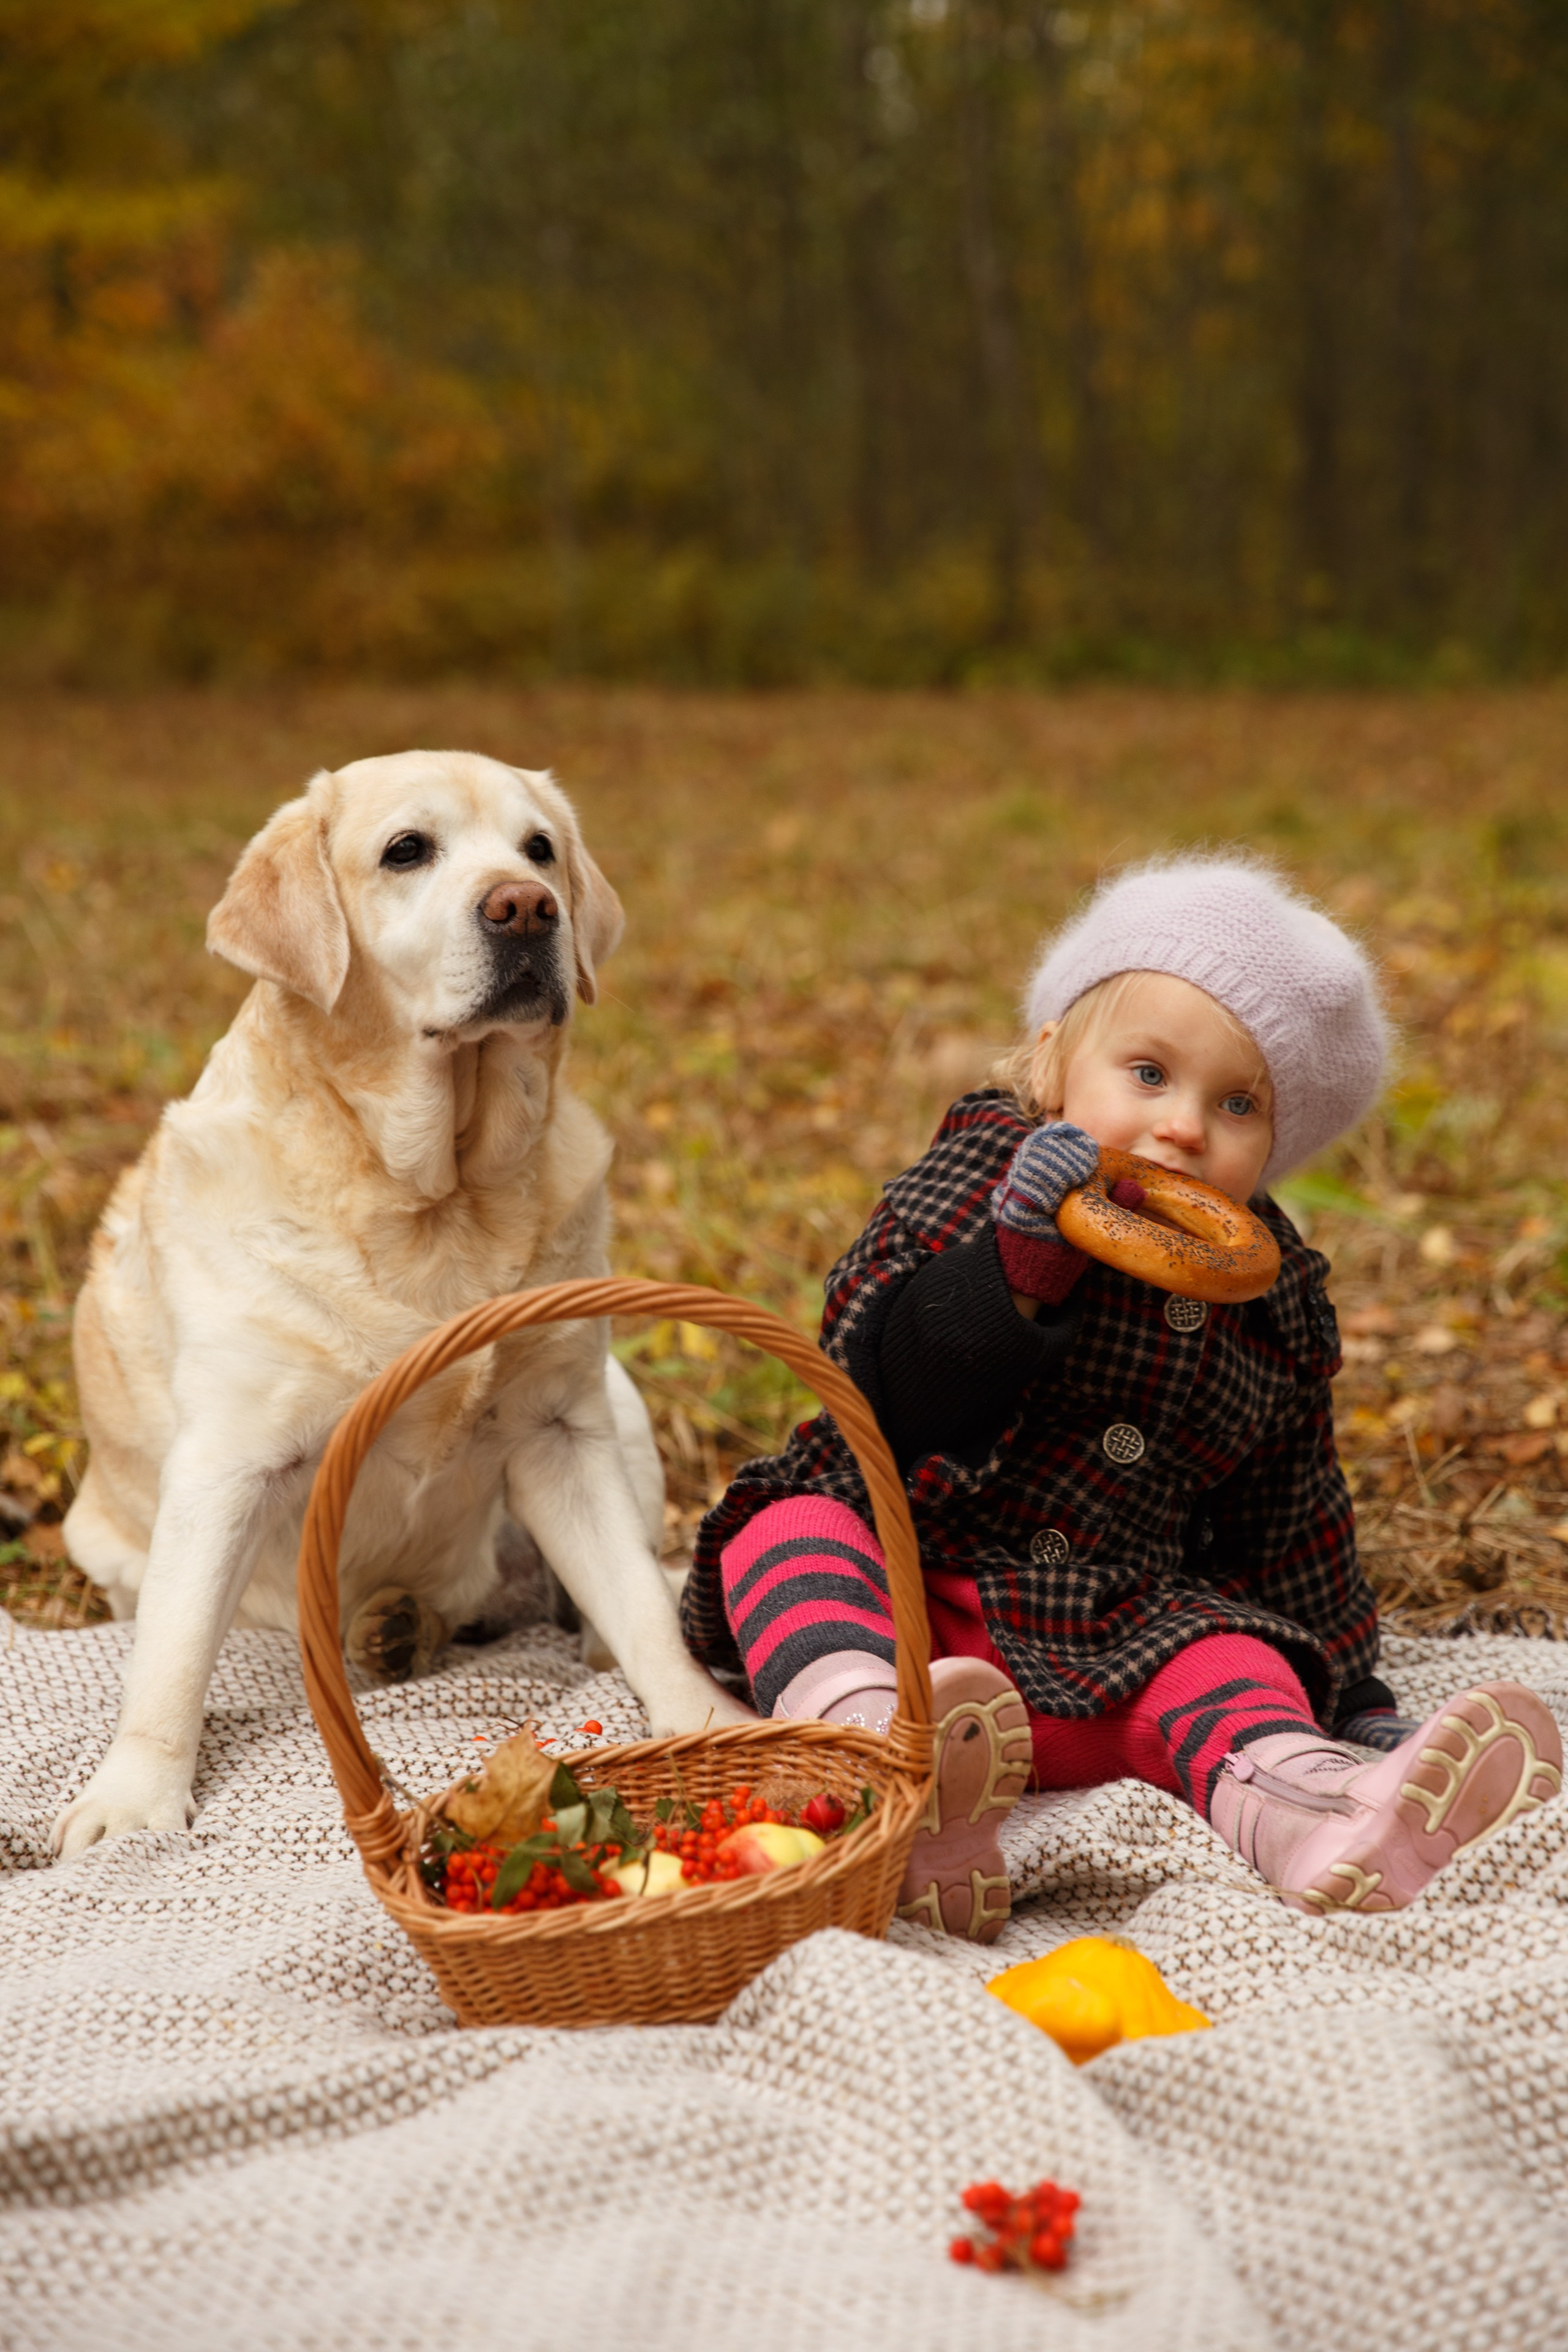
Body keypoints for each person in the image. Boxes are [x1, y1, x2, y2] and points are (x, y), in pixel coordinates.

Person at [680, 855, 1563, 1940]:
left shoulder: (1272, 1297)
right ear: (1053, 1061)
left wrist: (1355, 1695)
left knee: (1236, 1660)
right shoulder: (986, 1174)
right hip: (908, 1593)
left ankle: (1320, 1807)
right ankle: (875, 1763)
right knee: (786, 1529)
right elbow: (873, 1371)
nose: (1184, 1126)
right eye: (1149, 1073)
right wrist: (1016, 1267)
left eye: (1237, 1104)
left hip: (1108, 1646)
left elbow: (1292, 1512)